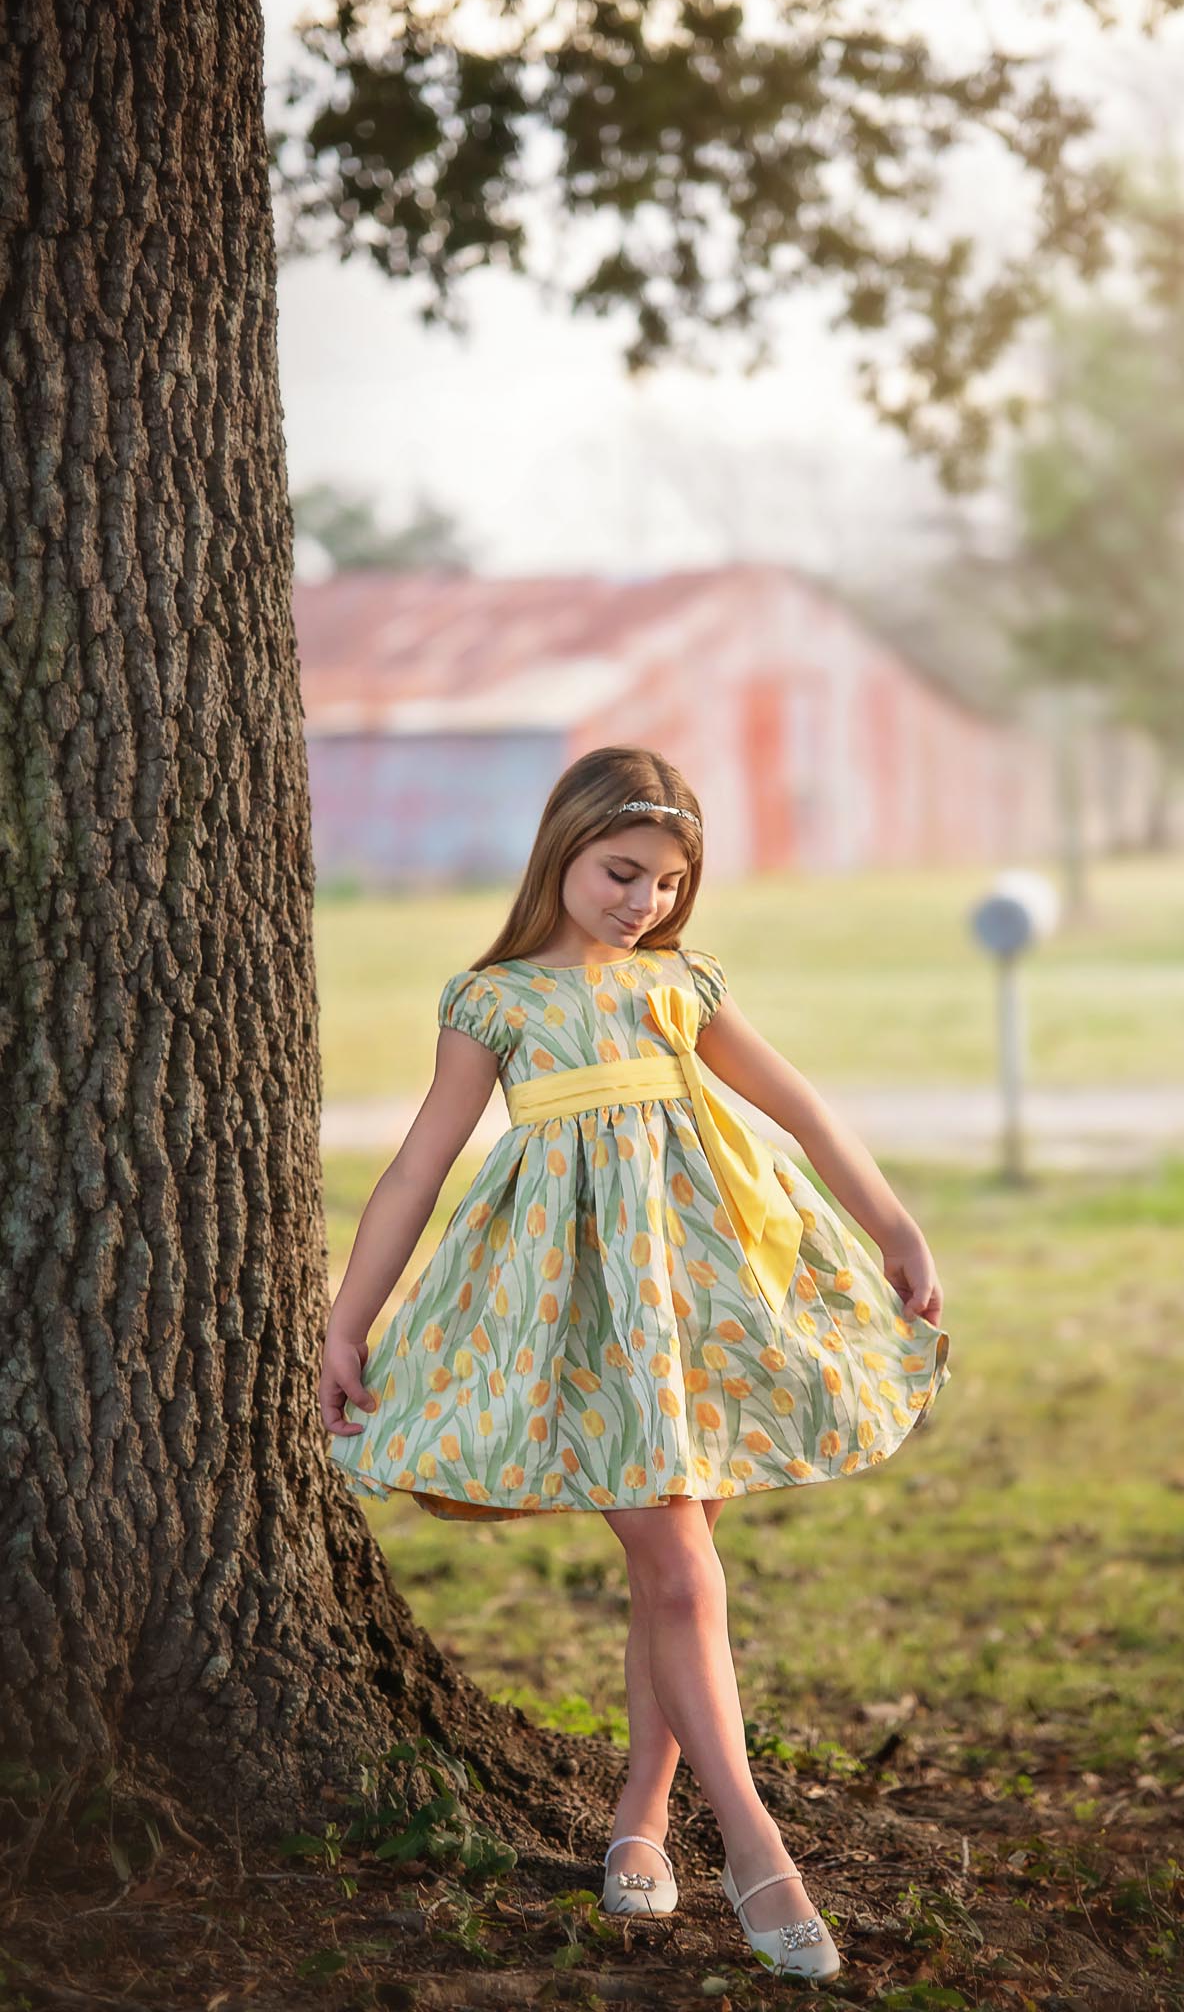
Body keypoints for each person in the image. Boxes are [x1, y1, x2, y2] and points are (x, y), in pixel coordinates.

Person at [319, 744, 951, 1981]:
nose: (641, 902)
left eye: (665, 881)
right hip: (584, 1314)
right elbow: (416, 1166)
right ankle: (757, 1847)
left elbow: (802, 1108)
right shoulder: (493, 999)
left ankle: (642, 1824)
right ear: (561, 849)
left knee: (681, 1573)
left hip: (699, 1300)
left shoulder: (682, 984)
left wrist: (893, 1223)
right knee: (679, 1570)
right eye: (620, 872)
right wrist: (349, 1318)